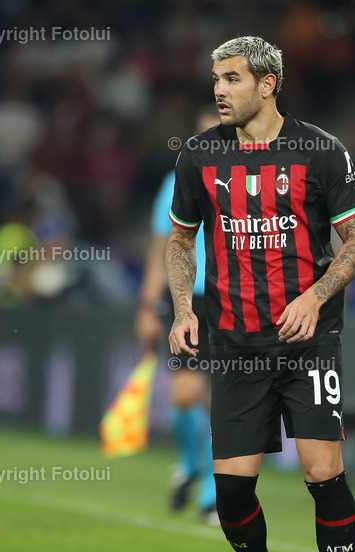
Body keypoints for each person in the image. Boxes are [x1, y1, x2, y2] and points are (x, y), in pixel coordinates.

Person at [165, 36, 355, 552]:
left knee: (322, 469)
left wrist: (313, 296)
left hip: (307, 339)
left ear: (268, 82)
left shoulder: (321, 151)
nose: (219, 89)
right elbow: (179, 241)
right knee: (230, 490)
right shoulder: (199, 156)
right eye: (216, 78)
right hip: (234, 341)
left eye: (231, 78)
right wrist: (182, 311)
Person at [137, 110, 221, 526]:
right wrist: (148, 307)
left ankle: (210, 492)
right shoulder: (175, 184)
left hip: (232, 298)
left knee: (219, 398)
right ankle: (190, 464)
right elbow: (159, 251)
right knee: (185, 396)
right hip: (186, 297)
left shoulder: (246, 182)